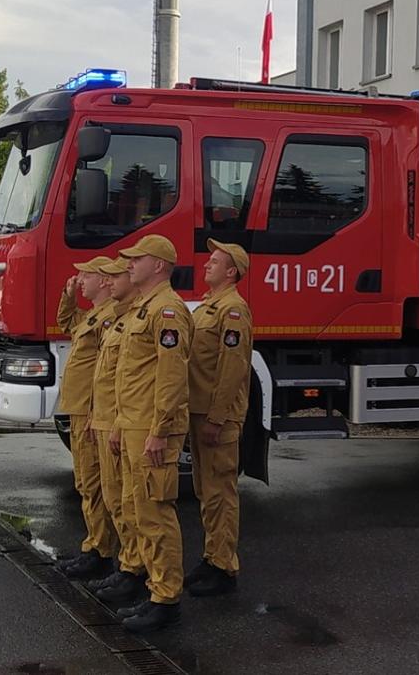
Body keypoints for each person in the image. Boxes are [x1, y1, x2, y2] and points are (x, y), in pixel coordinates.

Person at [106, 234, 193, 633]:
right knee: (136, 508)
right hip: (132, 424)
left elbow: (171, 378)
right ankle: (148, 585)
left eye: (136, 259)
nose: (129, 265)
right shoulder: (142, 309)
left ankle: (166, 600)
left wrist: (159, 430)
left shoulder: (167, 311)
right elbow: (131, 376)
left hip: (152, 428)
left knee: (156, 514)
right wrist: (119, 425)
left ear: (158, 265)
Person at [184, 239, 253, 597]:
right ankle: (212, 557)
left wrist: (218, 417)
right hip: (198, 412)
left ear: (232, 272)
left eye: (214, 261)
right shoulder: (209, 307)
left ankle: (224, 567)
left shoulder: (233, 310)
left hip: (215, 417)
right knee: (205, 490)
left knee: (220, 492)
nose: (206, 264)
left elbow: (232, 369)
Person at [52, 258, 122, 581]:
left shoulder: (109, 319)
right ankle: (93, 544)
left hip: (91, 410)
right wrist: (68, 295)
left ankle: (101, 551)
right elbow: (66, 320)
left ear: (105, 280)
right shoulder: (92, 316)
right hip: (80, 410)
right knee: (85, 482)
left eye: (85, 274)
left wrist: (96, 412)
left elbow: (104, 373)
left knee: (94, 484)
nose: (79, 278)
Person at [84, 259, 146, 596]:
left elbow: (161, 379)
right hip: (113, 419)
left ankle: (140, 574)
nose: (110, 282)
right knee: (115, 497)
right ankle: (128, 565)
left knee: (138, 505)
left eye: (115, 275)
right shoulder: (125, 318)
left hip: (131, 422)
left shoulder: (154, 315)